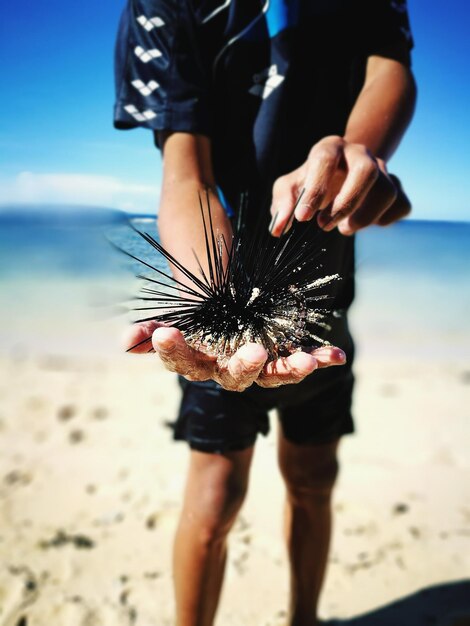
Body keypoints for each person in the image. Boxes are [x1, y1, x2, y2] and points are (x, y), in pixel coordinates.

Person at [113, 1, 416, 624]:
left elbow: (390, 65)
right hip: (216, 297)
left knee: (314, 474)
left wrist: (357, 150)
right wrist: (214, 301)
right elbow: (186, 176)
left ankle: (304, 619)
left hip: (322, 296)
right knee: (216, 495)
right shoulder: (163, 7)